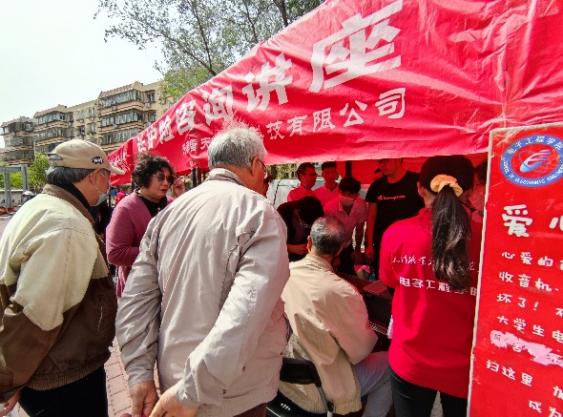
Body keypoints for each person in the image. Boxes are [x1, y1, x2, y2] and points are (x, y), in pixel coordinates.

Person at [116, 126, 290, 417]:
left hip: (176, 381)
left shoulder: (169, 214)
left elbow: (135, 300)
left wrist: (139, 373)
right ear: (255, 164)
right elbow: (247, 312)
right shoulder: (259, 213)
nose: (265, 178)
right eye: (265, 170)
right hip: (230, 394)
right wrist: (192, 390)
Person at [0, 139, 121, 417]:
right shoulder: (66, 225)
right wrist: (9, 380)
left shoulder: (41, 207)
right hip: (62, 380)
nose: (108, 185)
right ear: (94, 176)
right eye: (107, 176)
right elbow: (35, 317)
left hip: (49, 372)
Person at [379, 155, 481, 417]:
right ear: (472, 189)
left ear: (420, 188)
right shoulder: (489, 238)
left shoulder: (397, 234)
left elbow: (389, 282)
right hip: (468, 367)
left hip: (410, 360)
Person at [281, 217, 392, 417]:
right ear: (340, 250)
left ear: (309, 242)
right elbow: (361, 351)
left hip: (283, 379)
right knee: (390, 364)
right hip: (319, 389)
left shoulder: (283, 273)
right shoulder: (344, 291)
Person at [106, 153, 174, 297]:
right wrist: (157, 250)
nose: (166, 183)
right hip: (138, 291)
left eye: (169, 179)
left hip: (169, 288)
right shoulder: (126, 208)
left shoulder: (172, 204)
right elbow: (115, 254)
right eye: (160, 178)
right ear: (145, 178)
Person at [365, 158, 423, 275]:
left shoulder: (417, 181)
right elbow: (371, 216)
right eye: (380, 162)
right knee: (384, 277)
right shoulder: (376, 186)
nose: (382, 165)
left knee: (409, 275)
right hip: (384, 243)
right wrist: (369, 244)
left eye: (386, 161)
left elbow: (427, 210)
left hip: (410, 243)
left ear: (398, 159)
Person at [324, 176, 368, 274]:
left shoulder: (361, 205)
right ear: (339, 191)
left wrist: (357, 250)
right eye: (343, 193)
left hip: (347, 244)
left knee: (348, 273)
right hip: (330, 246)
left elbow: (359, 230)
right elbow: (328, 234)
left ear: (357, 195)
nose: (346, 196)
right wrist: (335, 256)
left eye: (350, 194)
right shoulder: (330, 208)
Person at [277, 196, 324, 261]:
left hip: (304, 258)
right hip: (282, 256)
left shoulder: (316, 215)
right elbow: (271, 242)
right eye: (305, 225)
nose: (308, 228)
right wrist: (290, 248)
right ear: (297, 212)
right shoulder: (283, 212)